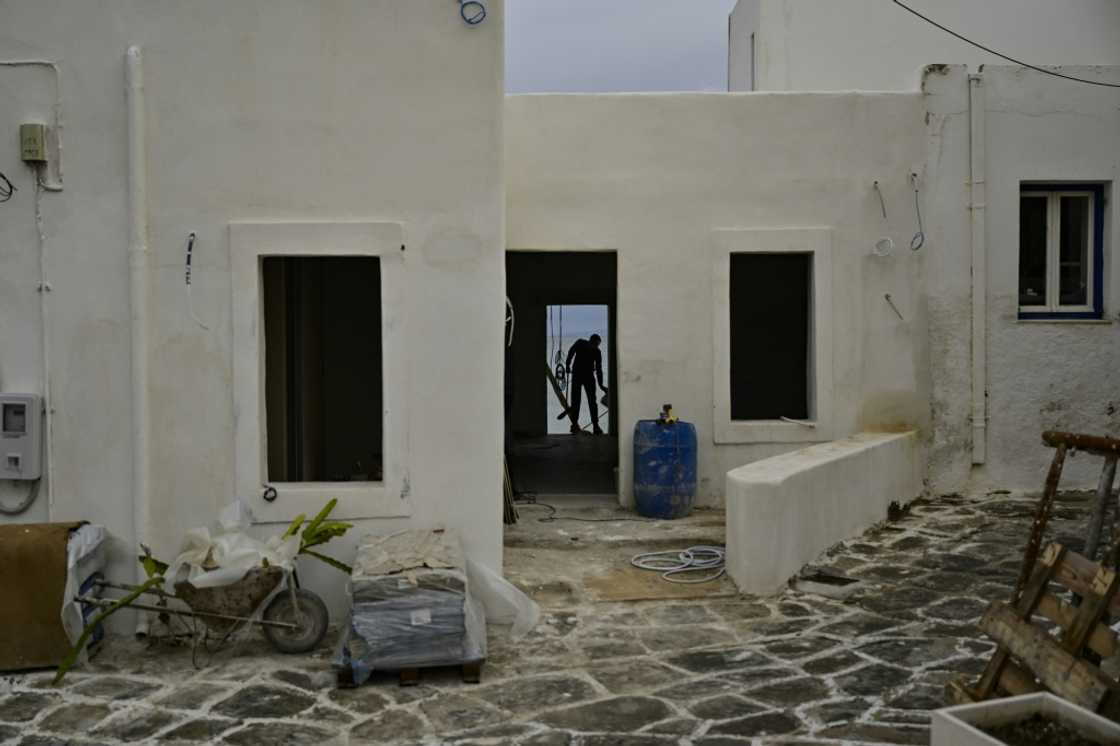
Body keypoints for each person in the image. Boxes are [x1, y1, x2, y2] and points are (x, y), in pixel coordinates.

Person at [565, 334, 607, 435]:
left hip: (588, 377)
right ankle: (575, 425)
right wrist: (567, 365)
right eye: (595, 344)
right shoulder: (580, 343)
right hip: (577, 376)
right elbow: (571, 351)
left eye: (598, 345)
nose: (596, 347)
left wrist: (601, 385)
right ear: (590, 341)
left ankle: (595, 426)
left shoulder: (597, 352)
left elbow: (599, 369)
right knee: (576, 401)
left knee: (592, 402)